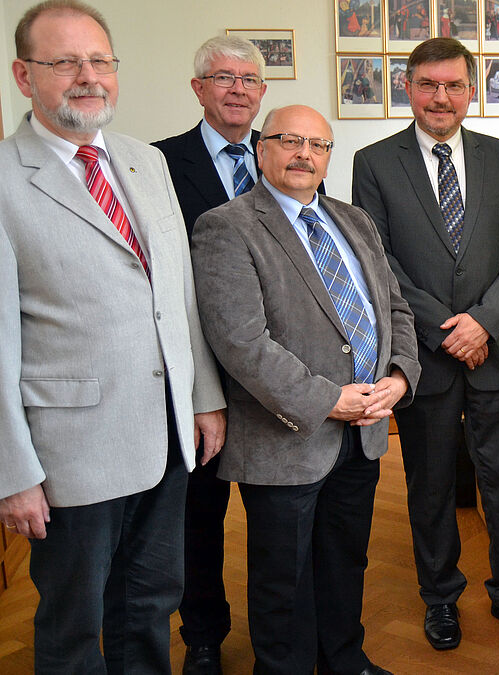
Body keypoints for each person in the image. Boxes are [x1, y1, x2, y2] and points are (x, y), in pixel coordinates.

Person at [0, 2, 226, 672]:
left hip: (165, 436)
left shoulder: (142, 161)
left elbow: (179, 292)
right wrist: (13, 472)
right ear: (23, 75)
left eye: (100, 60)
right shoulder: (6, 178)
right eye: (65, 60)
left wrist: (205, 397)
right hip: (70, 451)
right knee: (74, 622)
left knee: (151, 601)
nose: (87, 75)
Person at [190, 104, 421, 675]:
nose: (304, 154)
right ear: (261, 150)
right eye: (289, 141)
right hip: (287, 436)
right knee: (282, 578)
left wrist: (399, 376)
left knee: (345, 560)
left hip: (365, 428)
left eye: (317, 145)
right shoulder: (227, 225)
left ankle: (344, 660)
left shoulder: (355, 220)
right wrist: (328, 400)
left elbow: (393, 307)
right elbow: (241, 341)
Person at [351, 37, 499, 653]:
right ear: (407, 88)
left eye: (454, 85)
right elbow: (378, 261)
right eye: (429, 85)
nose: (442, 97)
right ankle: (440, 598)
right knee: (429, 486)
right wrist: (449, 328)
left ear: (471, 89)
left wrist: (483, 323)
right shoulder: (374, 162)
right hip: (424, 356)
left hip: (493, 351)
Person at [151, 36, 267, 674]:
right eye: (223, 77)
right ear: (198, 88)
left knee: (277, 512)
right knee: (200, 517)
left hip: (274, 372)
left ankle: (282, 630)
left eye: (249, 78)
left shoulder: (287, 155)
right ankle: (203, 636)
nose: (237, 89)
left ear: (262, 92)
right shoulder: (159, 163)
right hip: (198, 375)